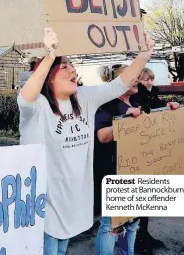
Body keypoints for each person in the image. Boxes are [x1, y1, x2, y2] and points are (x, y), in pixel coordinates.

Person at [17, 27, 155, 255]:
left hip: (74, 199)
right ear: (49, 78)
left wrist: (144, 56)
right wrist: (50, 55)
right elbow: (25, 98)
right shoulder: (38, 106)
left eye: (72, 65)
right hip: (45, 201)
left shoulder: (84, 98)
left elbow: (118, 85)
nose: (73, 69)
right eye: (64, 66)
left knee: (61, 248)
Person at [94, 65, 179, 255]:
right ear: (119, 82)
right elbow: (102, 136)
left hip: (139, 169)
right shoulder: (107, 104)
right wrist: (127, 122)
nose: (137, 80)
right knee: (111, 225)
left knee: (132, 223)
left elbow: (154, 120)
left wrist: (169, 111)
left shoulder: (137, 100)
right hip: (115, 171)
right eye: (132, 77)